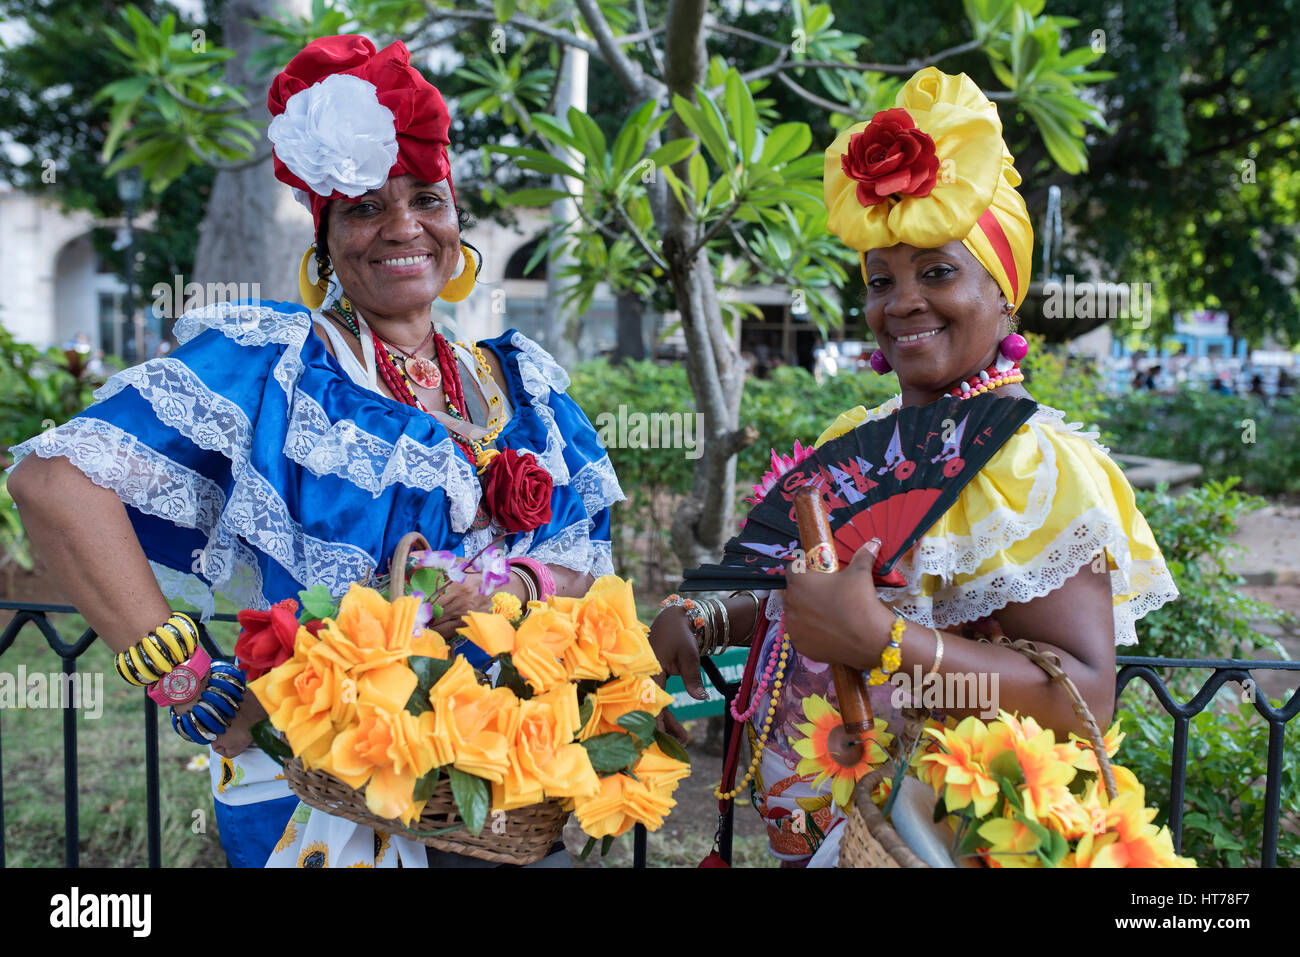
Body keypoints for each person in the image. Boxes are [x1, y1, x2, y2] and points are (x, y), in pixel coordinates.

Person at [7, 35, 622, 868]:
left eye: (426, 198)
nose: (403, 225)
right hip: (318, 791)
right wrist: (186, 679)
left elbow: (580, 552)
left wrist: (506, 584)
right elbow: (54, 482)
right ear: (325, 239)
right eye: (365, 207)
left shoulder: (519, 384)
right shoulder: (277, 365)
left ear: (456, 220)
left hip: (497, 792)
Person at [649, 68, 1179, 866]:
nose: (901, 302)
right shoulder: (861, 438)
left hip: (934, 838)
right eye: (880, 280)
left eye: (937, 271)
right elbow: (825, 595)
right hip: (818, 831)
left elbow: (1083, 699)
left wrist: (885, 639)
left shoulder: (1032, 466)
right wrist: (713, 617)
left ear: (1003, 291)